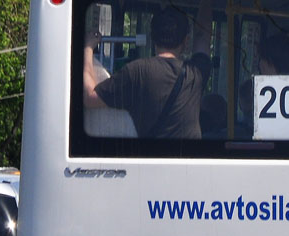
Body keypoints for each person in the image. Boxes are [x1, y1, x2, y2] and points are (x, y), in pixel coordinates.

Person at [83, 8, 208, 139]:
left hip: (148, 158)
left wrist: (87, 47)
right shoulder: (196, 73)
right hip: (187, 158)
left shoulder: (137, 71)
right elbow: (202, 36)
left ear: (152, 37)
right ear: (186, 41)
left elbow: (89, 97)